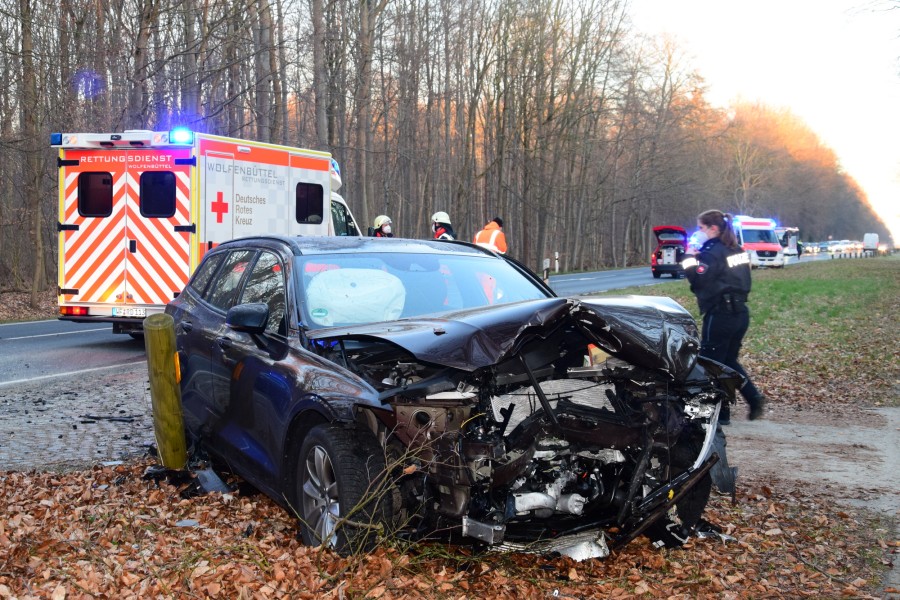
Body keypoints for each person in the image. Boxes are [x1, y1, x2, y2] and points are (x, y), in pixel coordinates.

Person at [682, 209, 766, 425]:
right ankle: (753, 398)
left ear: (713, 229)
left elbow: (699, 281)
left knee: (711, 364)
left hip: (721, 314)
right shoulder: (735, 249)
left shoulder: (712, 252)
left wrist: (689, 259)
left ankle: (719, 412)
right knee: (727, 361)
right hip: (740, 314)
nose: (698, 232)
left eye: (700, 228)